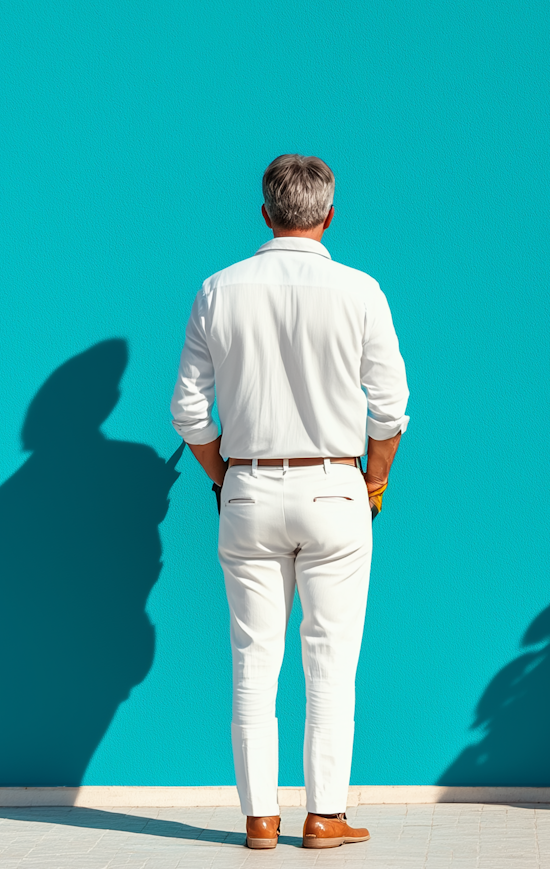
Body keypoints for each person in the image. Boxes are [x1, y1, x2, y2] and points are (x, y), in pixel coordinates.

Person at [171, 154, 408, 851]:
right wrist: (375, 482)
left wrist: (223, 475)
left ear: (265, 212)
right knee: (330, 658)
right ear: (329, 214)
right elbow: (390, 408)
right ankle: (325, 814)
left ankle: (259, 818)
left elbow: (188, 411)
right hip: (335, 483)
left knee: (253, 657)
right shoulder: (359, 290)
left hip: (247, 486)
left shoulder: (220, 289)